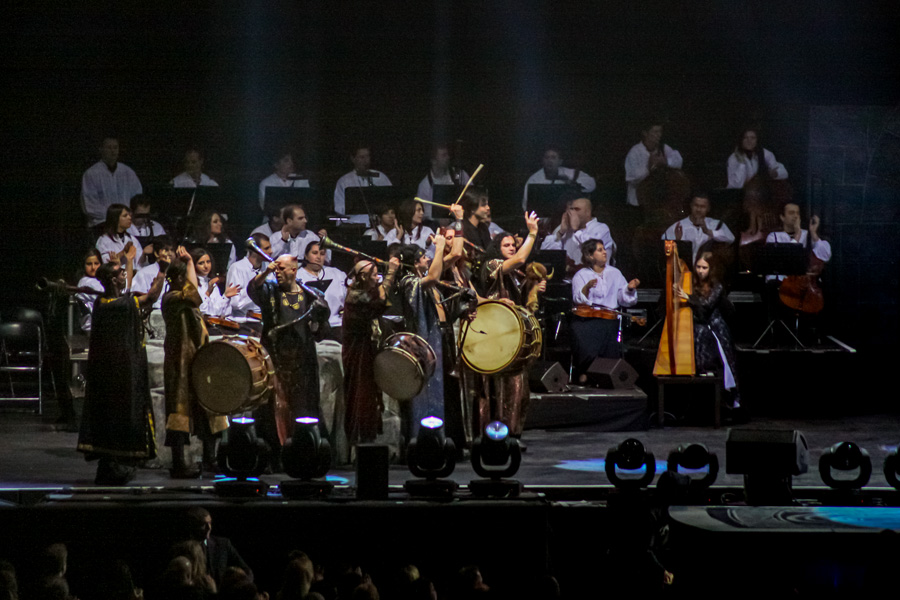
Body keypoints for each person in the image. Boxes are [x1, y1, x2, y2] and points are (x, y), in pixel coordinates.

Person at [77, 247, 165, 485]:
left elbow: (130, 295)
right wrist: (163, 272)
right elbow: (151, 297)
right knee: (118, 418)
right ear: (113, 279)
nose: (124, 275)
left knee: (114, 419)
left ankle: (113, 467)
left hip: (113, 372)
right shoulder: (116, 305)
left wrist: (124, 262)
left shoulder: (105, 302)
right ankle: (113, 468)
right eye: (119, 273)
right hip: (117, 375)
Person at [247, 254, 331, 460]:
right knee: (274, 407)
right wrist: (266, 271)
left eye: (282, 269)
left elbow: (321, 327)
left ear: (293, 270)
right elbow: (253, 289)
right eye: (276, 269)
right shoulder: (270, 290)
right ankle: (275, 453)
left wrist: (318, 319)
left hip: (301, 361)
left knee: (303, 406)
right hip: (276, 359)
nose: (278, 272)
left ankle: (305, 451)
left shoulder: (309, 294)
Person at [467, 213, 542, 439]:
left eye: (512, 244)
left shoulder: (513, 276)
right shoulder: (492, 264)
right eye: (505, 244)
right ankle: (496, 434)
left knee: (517, 389)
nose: (510, 247)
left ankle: (511, 433)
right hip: (494, 337)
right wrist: (532, 234)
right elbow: (519, 260)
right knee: (498, 389)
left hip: (510, 337)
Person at [162, 247, 229, 478]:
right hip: (180, 363)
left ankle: (210, 459)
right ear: (178, 278)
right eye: (185, 275)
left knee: (209, 407)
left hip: (198, 360)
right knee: (179, 413)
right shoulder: (172, 298)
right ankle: (178, 464)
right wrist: (190, 262)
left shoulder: (184, 300)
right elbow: (195, 295)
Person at [342, 257, 400, 450]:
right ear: (364, 277)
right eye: (374, 275)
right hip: (357, 351)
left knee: (369, 392)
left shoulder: (362, 292)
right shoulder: (356, 295)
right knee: (360, 392)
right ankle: (359, 439)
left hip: (367, 348)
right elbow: (380, 299)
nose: (378, 278)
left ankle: (368, 434)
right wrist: (391, 271)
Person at [675, 252, 742, 414]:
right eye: (698, 267)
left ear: (711, 269)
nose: (700, 271)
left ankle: (727, 402)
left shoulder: (717, 286)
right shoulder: (691, 283)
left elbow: (706, 305)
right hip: (699, 327)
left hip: (715, 329)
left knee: (708, 345)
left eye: (704, 268)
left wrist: (687, 297)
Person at [396, 236, 448, 440]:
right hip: (417, 341)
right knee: (421, 388)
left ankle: (436, 433)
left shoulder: (418, 279)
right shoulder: (408, 282)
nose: (427, 259)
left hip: (432, 337)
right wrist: (440, 248)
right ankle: (420, 436)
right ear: (414, 263)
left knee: (434, 386)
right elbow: (434, 276)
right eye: (423, 257)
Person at [570, 239, 640, 381]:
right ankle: (586, 370)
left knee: (607, 327)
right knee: (582, 329)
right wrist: (587, 287)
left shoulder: (615, 273)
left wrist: (629, 288)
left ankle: (605, 373)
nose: (604, 252)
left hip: (609, 318)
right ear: (590, 256)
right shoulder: (581, 275)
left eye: (604, 249)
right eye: (600, 250)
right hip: (588, 319)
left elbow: (623, 299)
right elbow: (578, 299)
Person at [540, 196, 616, 271]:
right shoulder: (563, 228)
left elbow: (592, 249)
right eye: (570, 209)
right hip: (566, 279)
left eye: (576, 209)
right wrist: (560, 233)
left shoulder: (601, 228)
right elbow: (547, 255)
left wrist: (576, 230)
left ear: (588, 213)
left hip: (594, 279)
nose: (571, 213)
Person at [81, 136, 143, 227]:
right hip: (102, 223)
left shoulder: (128, 172)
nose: (113, 151)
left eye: (115, 147)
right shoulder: (91, 174)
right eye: (109, 148)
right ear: (101, 149)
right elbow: (89, 206)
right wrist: (114, 217)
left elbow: (137, 197)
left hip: (127, 222)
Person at [186, 507, 254, 586]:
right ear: (193, 526)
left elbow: (246, 570)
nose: (209, 528)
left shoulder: (222, 544)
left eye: (210, 523)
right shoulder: (184, 549)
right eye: (203, 524)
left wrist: (244, 588)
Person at [662, 192, 736, 264]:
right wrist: (677, 242)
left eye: (703, 207)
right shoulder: (678, 226)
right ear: (691, 206)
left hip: (709, 272)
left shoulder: (716, 224)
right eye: (696, 205)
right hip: (684, 271)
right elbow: (663, 250)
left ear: (708, 208)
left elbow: (731, 238)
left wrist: (708, 231)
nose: (698, 209)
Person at [765, 202, 832, 280]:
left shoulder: (807, 234)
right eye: (791, 213)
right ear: (782, 217)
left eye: (797, 213)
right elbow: (785, 261)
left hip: (803, 284)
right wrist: (797, 236)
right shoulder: (773, 236)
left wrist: (813, 233)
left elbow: (825, 255)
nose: (795, 216)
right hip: (780, 284)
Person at [296, 241, 347, 342]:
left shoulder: (337, 273)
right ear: (306, 256)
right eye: (314, 253)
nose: (318, 257)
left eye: (322, 254)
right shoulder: (297, 275)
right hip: (309, 328)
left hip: (336, 325)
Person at [625, 121, 683, 207]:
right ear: (645, 133)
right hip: (638, 203)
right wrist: (649, 168)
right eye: (655, 132)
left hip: (658, 202)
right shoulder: (635, 152)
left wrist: (666, 162)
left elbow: (679, 161)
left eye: (660, 131)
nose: (659, 135)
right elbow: (632, 178)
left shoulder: (663, 148)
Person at [522, 146, 597, 210]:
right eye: (547, 157)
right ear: (543, 161)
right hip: (544, 219)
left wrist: (571, 182)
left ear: (560, 161)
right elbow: (526, 204)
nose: (550, 161)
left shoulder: (571, 174)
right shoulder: (534, 179)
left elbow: (591, 184)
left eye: (553, 157)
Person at [333, 144, 392, 224]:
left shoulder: (380, 177)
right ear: (353, 159)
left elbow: (391, 201)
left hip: (378, 223)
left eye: (367, 156)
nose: (366, 160)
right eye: (362, 157)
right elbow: (339, 208)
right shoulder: (344, 181)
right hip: (353, 223)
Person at [225, 233, 272, 320]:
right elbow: (235, 303)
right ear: (254, 250)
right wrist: (257, 295)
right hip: (243, 321)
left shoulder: (268, 268)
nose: (271, 251)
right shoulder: (237, 268)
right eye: (266, 248)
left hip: (264, 319)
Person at [416, 143, 470, 217]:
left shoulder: (460, 175)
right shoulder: (424, 185)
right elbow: (424, 210)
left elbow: (473, 196)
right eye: (444, 155)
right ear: (433, 160)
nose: (448, 157)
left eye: (447, 154)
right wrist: (439, 219)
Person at [190, 248, 240, 318]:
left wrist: (225, 296)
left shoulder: (212, 283)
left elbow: (218, 311)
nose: (206, 266)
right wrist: (207, 293)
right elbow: (200, 311)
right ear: (193, 265)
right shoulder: (193, 283)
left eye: (208, 262)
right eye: (201, 263)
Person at [131, 234, 176, 310]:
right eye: (166, 250)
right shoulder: (144, 273)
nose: (170, 254)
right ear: (156, 253)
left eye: (172, 250)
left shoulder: (176, 271)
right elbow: (137, 298)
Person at [96, 203, 143, 271]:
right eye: (125, 216)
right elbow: (104, 265)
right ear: (115, 218)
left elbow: (139, 263)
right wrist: (123, 252)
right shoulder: (103, 241)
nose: (129, 218)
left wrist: (144, 254)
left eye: (129, 215)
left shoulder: (132, 239)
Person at [76, 248, 105, 333]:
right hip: (92, 330)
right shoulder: (85, 282)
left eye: (96, 263)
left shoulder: (99, 280)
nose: (93, 267)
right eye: (89, 264)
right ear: (83, 265)